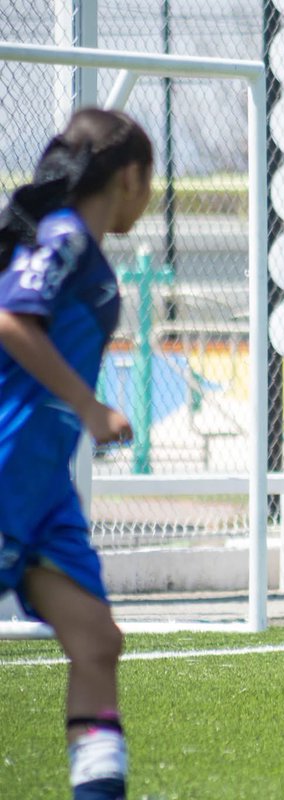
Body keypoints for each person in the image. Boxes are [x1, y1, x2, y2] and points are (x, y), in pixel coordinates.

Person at [0, 108, 153, 798]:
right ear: (129, 176)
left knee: (96, 641)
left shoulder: (82, 251)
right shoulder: (61, 236)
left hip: (42, 490)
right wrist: (90, 408)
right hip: (6, 467)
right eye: (151, 181)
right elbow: (10, 317)